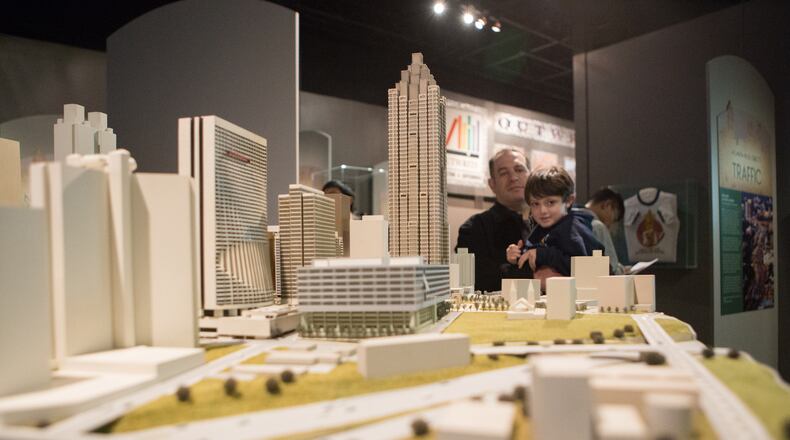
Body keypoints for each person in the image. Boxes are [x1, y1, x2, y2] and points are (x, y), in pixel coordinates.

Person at [506, 166, 604, 286]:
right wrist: (518, 255)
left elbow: (583, 267)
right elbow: (534, 257)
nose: (542, 210)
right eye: (535, 204)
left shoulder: (573, 228)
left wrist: (544, 254)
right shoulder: (544, 227)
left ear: (568, 201)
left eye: (550, 202)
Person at [456, 148, 532, 293]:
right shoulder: (472, 229)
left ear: (530, 176)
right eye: (503, 173)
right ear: (492, 184)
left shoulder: (548, 223)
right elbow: (467, 280)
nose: (513, 177)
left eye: (519, 169)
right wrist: (536, 277)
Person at [577, 187, 625, 274]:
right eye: (614, 218)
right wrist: (622, 269)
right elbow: (612, 270)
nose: (610, 225)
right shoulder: (597, 227)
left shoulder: (569, 217)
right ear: (607, 205)